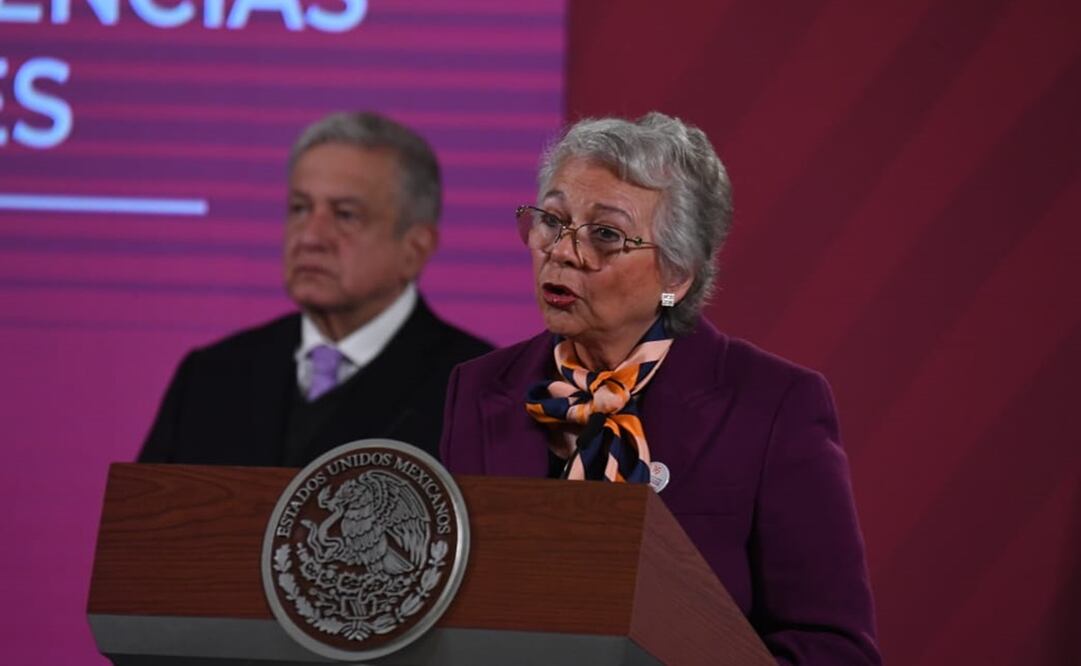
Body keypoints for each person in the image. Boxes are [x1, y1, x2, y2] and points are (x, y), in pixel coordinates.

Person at [439, 113, 881, 663]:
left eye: (605, 235)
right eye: (551, 220)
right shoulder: (480, 387)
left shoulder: (774, 407)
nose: (563, 251)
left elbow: (833, 648)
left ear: (677, 274)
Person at [139, 111, 492, 467]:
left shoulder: (480, 394)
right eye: (300, 208)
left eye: (345, 215)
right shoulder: (211, 378)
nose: (310, 237)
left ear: (414, 248)